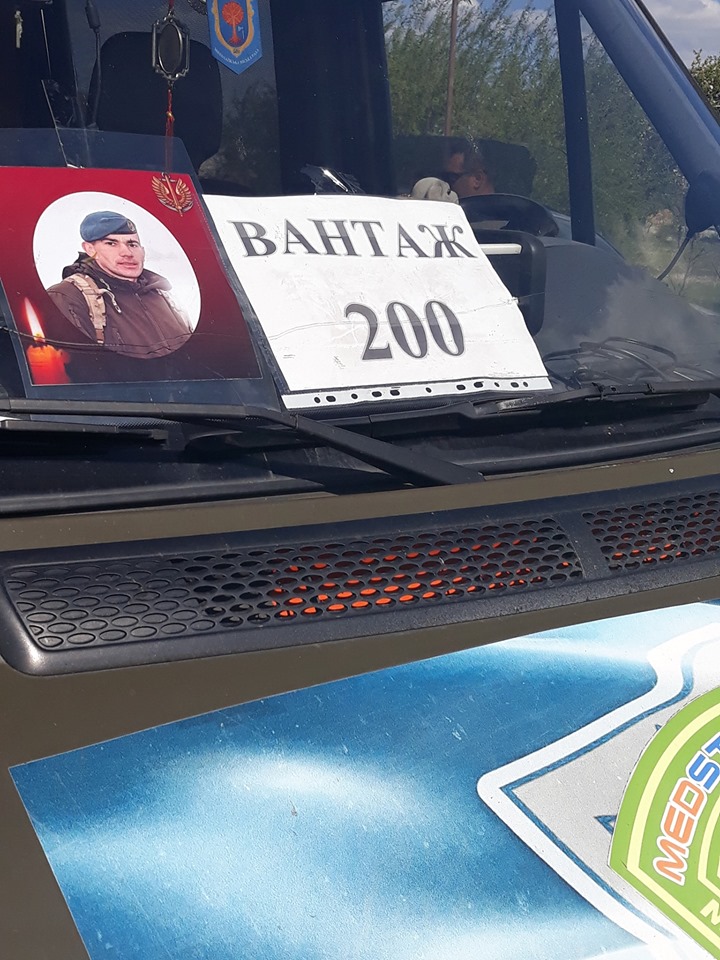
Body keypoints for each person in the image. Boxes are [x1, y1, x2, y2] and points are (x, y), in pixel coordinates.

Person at [46, 211, 193, 360]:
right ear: (90, 249)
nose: (127, 252)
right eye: (111, 243)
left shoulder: (163, 295)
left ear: (143, 250)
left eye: (132, 244)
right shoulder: (68, 297)